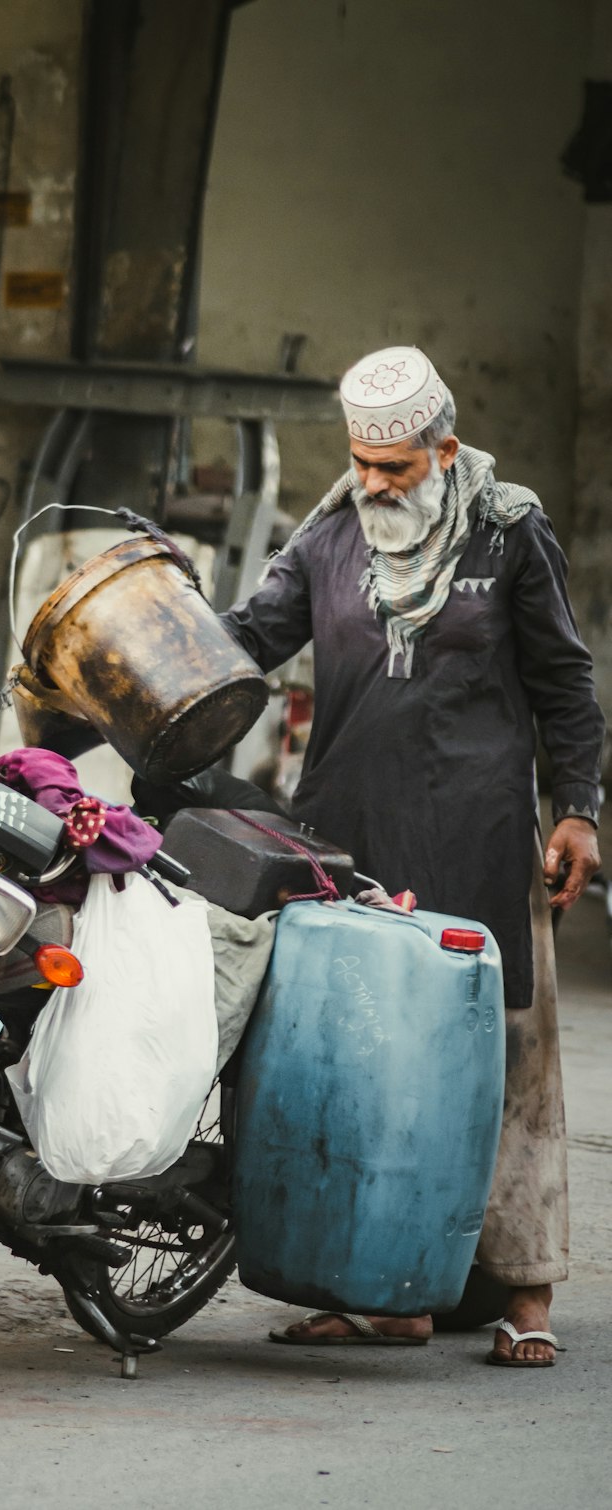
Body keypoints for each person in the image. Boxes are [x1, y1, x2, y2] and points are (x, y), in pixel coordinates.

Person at [220, 345, 605, 1368]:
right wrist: (149, 648)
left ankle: (524, 1290)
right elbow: (249, 639)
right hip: (349, 827)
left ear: (441, 444)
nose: (373, 483)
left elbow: (565, 680)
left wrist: (576, 810)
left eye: (393, 467)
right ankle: (376, 1286)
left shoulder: (510, 529)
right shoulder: (328, 537)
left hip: (478, 827)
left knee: (506, 1055)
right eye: (361, 462)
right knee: (359, 1053)